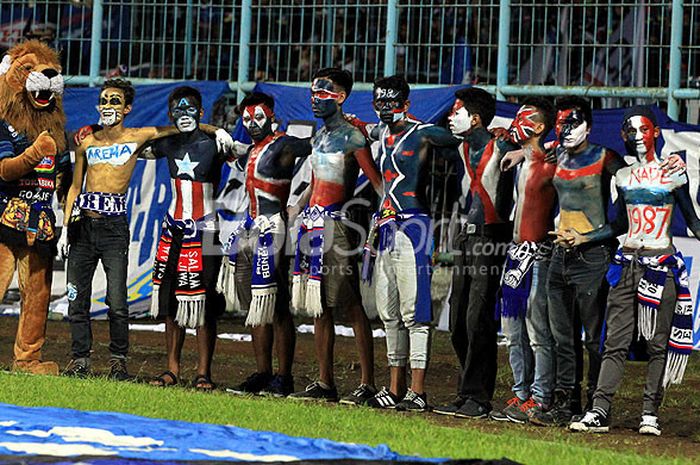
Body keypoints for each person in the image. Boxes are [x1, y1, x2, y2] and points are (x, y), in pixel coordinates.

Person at [59, 78, 232, 379]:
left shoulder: (140, 136)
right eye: (104, 100)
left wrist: (216, 129)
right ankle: (80, 361)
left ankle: (118, 363)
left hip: (117, 229)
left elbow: (184, 126)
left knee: (117, 300)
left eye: (115, 101)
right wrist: (65, 227)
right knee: (77, 297)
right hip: (82, 227)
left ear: (127, 108)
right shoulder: (87, 141)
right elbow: (75, 186)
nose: (108, 106)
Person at [569, 106, 699, 436]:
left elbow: (693, 220)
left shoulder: (673, 173)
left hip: (660, 264)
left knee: (657, 343)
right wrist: (585, 236)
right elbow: (619, 224)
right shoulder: (623, 176)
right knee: (614, 341)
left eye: (643, 129)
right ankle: (599, 410)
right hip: (627, 264)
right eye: (631, 131)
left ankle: (649, 413)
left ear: (655, 132)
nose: (637, 136)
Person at [360, 75, 461, 411]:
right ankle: (394, 387)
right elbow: (361, 130)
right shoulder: (382, 134)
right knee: (388, 312)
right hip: (385, 226)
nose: (385, 108)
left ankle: (418, 391)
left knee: (414, 311)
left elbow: (453, 137)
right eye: (380, 102)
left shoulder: (421, 132)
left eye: (392, 102)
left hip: (415, 225)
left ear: (406, 103)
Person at [288, 68, 382, 404]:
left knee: (350, 302)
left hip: (338, 226)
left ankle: (367, 383)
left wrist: (379, 219)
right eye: (313, 93)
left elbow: (377, 184)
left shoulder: (353, 138)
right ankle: (325, 382)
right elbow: (315, 183)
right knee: (318, 306)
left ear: (340, 98)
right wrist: (296, 206)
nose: (315, 99)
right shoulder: (318, 137)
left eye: (324, 94)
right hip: (311, 224)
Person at [433, 88, 519, 419]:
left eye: (456, 112)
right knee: (457, 321)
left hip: (492, 237)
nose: (451, 117)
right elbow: (434, 133)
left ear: (476, 118)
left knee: (478, 317)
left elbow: (535, 150)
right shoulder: (464, 146)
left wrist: (516, 141)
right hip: (467, 238)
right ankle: (467, 389)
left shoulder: (501, 145)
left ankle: (478, 397)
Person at [218, 92, 310, 396]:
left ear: (272, 116)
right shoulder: (252, 149)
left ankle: (284, 377)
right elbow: (225, 145)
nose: (252, 124)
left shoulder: (283, 143)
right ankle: (262, 372)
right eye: (247, 119)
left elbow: (319, 152)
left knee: (277, 304)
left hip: (274, 230)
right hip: (248, 229)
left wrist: (299, 205)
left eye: (258, 118)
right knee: (254, 306)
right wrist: (216, 130)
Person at [145, 86, 226, 390]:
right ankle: (172, 369)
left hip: (205, 230)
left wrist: (215, 129)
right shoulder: (168, 144)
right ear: (170, 115)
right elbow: (136, 145)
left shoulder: (216, 143)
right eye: (177, 110)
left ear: (201, 112)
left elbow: (246, 151)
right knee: (169, 300)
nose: (184, 114)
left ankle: (203, 372)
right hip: (173, 229)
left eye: (190, 108)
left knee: (202, 299)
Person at [491, 98, 558, 423]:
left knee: (537, 330)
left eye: (524, 118)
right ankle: (520, 393)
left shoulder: (550, 162)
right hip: (516, 253)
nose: (517, 122)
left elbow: (562, 149)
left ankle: (541, 397)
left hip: (539, 253)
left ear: (541, 127)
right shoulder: (524, 160)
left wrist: (527, 151)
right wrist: (521, 152)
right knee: (512, 329)